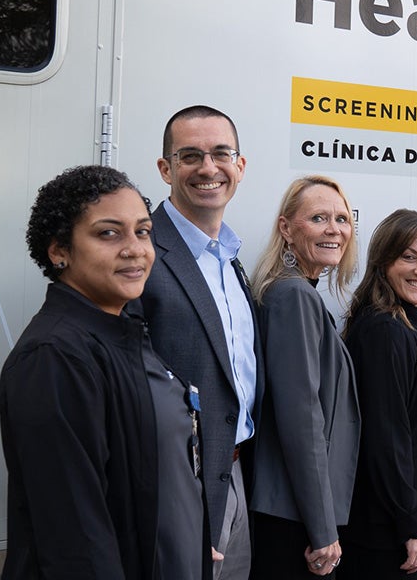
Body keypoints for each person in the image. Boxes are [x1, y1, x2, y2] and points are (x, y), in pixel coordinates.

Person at [0, 165, 206, 579]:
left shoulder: (123, 331)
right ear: (59, 250)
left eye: (143, 231)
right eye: (108, 233)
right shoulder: (55, 357)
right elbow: (76, 538)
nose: (135, 249)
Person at [139, 105, 261, 580]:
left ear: (240, 165)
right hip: (178, 487)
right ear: (166, 169)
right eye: (190, 156)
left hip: (233, 472)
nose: (208, 168)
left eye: (220, 154)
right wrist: (177, 510)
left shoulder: (230, 256)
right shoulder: (142, 252)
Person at [247, 176, 360, 578]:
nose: (335, 229)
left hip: (293, 511)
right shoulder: (293, 296)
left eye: (343, 219)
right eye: (319, 218)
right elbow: (301, 420)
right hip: (293, 517)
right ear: (286, 229)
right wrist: (322, 526)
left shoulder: (299, 293)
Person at [339, 209, 417, 579]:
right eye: (409, 256)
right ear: (383, 262)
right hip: (392, 537)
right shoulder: (382, 332)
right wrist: (411, 524)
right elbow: (386, 439)